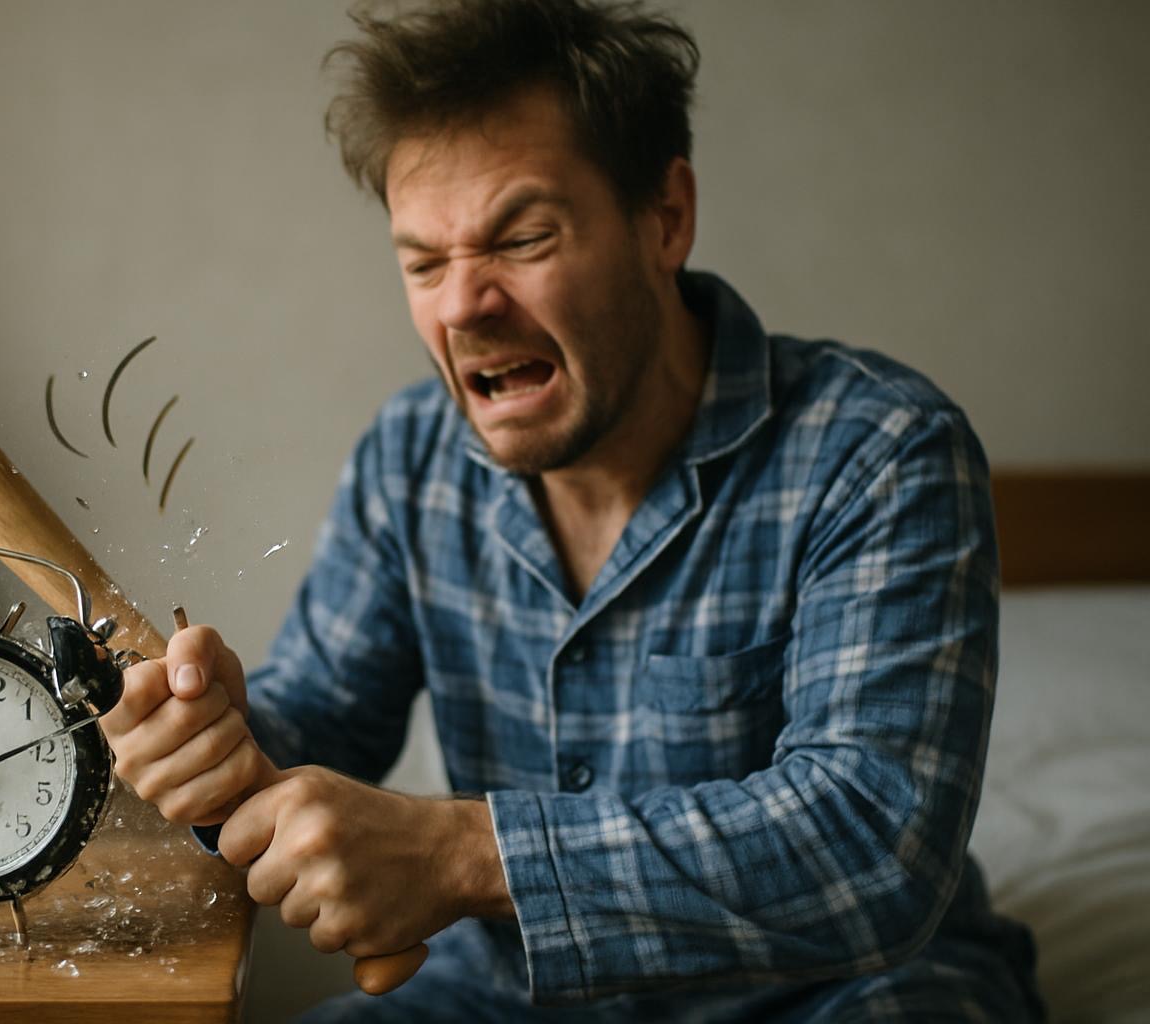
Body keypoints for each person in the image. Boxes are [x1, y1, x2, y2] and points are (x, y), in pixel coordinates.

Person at [99, 0, 1045, 1019]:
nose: (463, 304)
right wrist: (221, 738)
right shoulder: (413, 456)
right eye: (424, 262)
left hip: (842, 991)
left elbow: (872, 842)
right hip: (508, 995)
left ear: (665, 218)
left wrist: (462, 853)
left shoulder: (881, 451)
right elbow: (322, 723)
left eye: (523, 237)